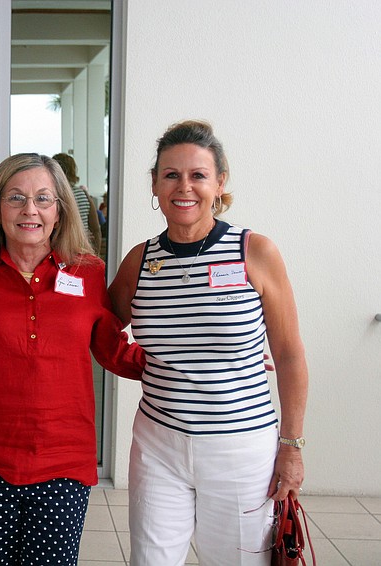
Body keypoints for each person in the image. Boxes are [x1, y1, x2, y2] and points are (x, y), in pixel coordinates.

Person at [108, 120, 308, 566]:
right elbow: (96, 326)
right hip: (158, 445)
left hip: (241, 449)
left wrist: (291, 448)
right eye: (171, 174)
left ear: (219, 183)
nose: (184, 186)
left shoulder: (254, 252)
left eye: (198, 175)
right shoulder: (141, 261)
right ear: (156, 186)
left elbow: (290, 356)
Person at [0, 153, 145, 565]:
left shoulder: (87, 273)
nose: (30, 210)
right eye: (16, 198)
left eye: (43, 199)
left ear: (60, 210)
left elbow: (111, 349)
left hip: (63, 460)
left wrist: (193, 363)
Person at [52, 152, 102, 254]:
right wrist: (95, 255)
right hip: (82, 247)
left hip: (60, 249)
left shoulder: (53, 196)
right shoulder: (83, 194)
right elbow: (95, 229)